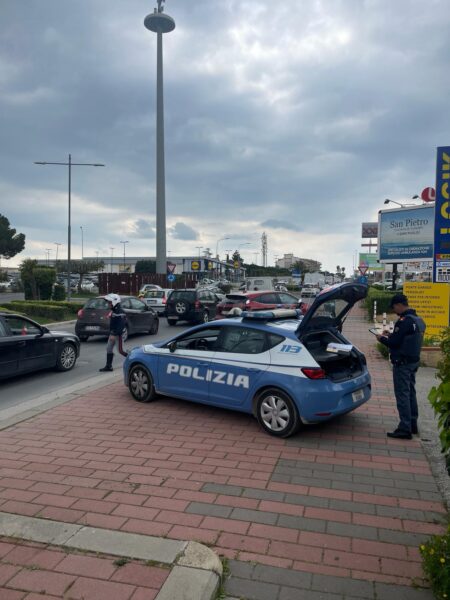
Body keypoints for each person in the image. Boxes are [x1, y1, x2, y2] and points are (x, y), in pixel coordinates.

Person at [377, 293, 426, 439]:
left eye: (394, 308)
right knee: (411, 392)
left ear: (399, 305)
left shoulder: (403, 321)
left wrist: (382, 339)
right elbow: (406, 338)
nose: (394, 311)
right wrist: (391, 334)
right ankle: (412, 424)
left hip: (402, 364)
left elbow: (394, 344)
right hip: (413, 362)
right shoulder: (418, 320)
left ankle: (404, 429)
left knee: (402, 394)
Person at [99, 293, 128, 372]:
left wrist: (114, 334)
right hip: (112, 333)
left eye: (110, 302)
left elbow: (121, 325)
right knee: (108, 349)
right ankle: (109, 366)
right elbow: (113, 321)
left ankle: (135, 359)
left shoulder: (120, 311)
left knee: (121, 351)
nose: (108, 304)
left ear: (115, 302)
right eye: (108, 302)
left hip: (118, 335)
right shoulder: (113, 310)